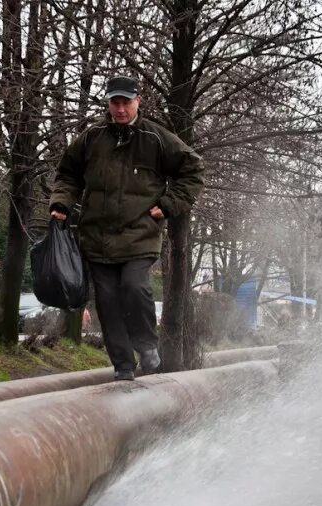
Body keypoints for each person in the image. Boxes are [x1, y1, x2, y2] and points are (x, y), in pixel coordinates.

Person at [49, 75, 204, 380]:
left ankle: (147, 347)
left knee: (133, 287)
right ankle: (122, 366)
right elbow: (68, 175)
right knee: (107, 302)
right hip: (97, 236)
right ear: (108, 103)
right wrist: (61, 204)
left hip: (139, 233)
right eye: (114, 102)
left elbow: (194, 170)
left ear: (137, 102)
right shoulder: (92, 138)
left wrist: (169, 204)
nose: (119, 109)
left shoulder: (156, 138)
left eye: (125, 102)